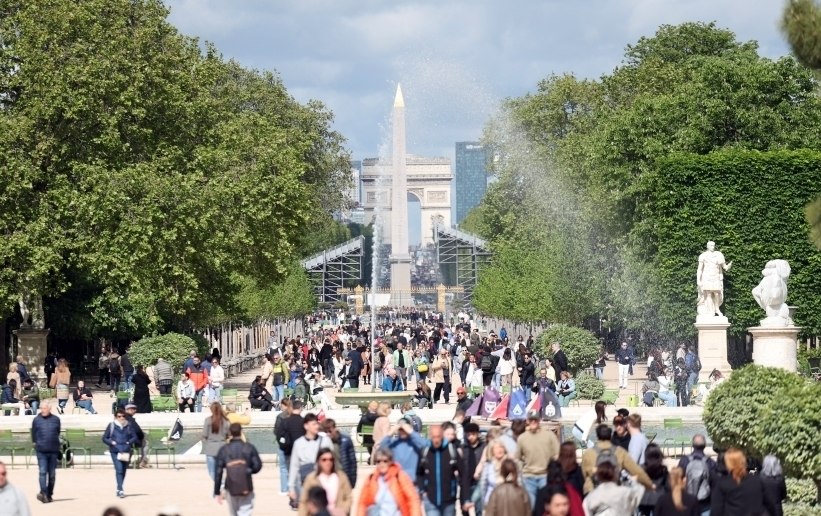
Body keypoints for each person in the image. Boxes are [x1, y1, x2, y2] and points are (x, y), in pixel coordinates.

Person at [581, 424, 653, 495]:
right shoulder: (620, 452)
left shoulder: (588, 453)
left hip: (593, 492)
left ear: (597, 436)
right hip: (614, 492)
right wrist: (650, 484)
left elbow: (583, 474)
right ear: (610, 436)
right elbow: (636, 470)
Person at [214, 423, 263, 516]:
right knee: (246, 512)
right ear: (241, 432)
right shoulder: (249, 447)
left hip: (230, 485)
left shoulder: (224, 449)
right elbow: (258, 466)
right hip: (246, 484)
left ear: (230, 433)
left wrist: (217, 492)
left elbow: (218, 472)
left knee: (233, 513)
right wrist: (247, 470)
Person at [357, 447, 421, 516]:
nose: (381, 464)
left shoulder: (399, 476)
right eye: (378, 461)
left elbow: (413, 499)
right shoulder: (371, 478)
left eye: (385, 461)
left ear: (390, 462)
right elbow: (362, 503)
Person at [710, 448, 771, 516]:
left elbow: (716, 511)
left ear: (727, 463)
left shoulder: (722, 483)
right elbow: (768, 503)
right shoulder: (757, 480)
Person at [518, 410, 560, 509]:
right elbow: (518, 457)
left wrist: (553, 470)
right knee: (531, 506)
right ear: (527, 421)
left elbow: (557, 453)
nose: (533, 422)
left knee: (545, 506)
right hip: (528, 476)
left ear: (539, 420)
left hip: (545, 475)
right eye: (531, 420)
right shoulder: (522, 438)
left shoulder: (549, 436)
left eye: (535, 420)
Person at [289, 414, 333, 507]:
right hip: (305, 482)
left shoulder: (326, 441)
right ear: (306, 426)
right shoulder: (298, 443)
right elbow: (294, 466)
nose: (317, 426)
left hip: (323, 481)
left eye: (317, 424)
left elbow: (334, 461)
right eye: (313, 424)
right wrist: (291, 487)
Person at [418, 425, 463, 516]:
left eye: (438, 437)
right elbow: (419, 473)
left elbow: (463, 472)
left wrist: (464, 496)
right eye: (433, 437)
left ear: (442, 436)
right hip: (430, 499)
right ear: (430, 437)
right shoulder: (425, 451)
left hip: (449, 500)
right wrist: (422, 489)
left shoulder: (451, 450)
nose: (436, 440)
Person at [298, 447, 353, 516]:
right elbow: (304, 501)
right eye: (324, 460)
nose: (328, 462)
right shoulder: (311, 479)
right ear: (318, 461)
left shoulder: (341, 477)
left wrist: (343, 510)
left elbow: (348, 497)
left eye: (331, 460)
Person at [102, 408, 139, 498]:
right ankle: (120, 489)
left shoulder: (129, 425)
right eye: (119, 416)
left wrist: (129, 442)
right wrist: (112, 442)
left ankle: (119, 488)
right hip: (115, 450)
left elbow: (134, 437)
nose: (121, 418)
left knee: (124, 470)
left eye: (123, 416)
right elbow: (104, 438)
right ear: (115, 417)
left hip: (126, 450)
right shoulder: (111, 425)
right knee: (119, 469)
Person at [677, 434, 716, 514]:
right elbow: (714, 483)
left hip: (687, 501)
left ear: (692, 445)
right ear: (705, 445)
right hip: (705, 502)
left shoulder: (684, 461)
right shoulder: (710, 462)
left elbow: (678, 479)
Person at [31, 402, 60, 504]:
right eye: (41, 408)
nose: (42, 410)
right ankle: (43, 493)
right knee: (42, 472)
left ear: (49, 408)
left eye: (44, 408)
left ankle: (49, 494)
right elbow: (33, 434)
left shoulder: (56, 420)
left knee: (52, 475)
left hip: (53, 451)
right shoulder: (36, 420)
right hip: (41, 451)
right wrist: (36, 444)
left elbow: (57, 432)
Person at [696, 240, 731, 318]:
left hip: (716, 276)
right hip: (706, 276)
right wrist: (698, 280)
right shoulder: (703, 256)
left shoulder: (718, 255)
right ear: (707, 246)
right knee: (708, 294)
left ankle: (717, 309)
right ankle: (711, 311)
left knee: (717, 293)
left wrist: (728, 266)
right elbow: (700, 269)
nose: (713, 247)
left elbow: (724, 266)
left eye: (714, 245)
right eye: (711, 246)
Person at [320, 418, 357, 488]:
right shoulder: (323, 442)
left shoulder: (346, 440)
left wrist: (352, 481)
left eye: (329, 431)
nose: (328, 434)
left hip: (343, 476)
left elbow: (352, 462)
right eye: (325, 432)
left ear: (334, 428)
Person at [460, 422, 486, 516]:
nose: (470, 437)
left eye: (472, 434)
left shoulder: (483, 447)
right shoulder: (463, 448)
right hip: (465, 481)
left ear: (477, 434)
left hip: (479, 480)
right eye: (468, 434)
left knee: (479, 508)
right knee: (464, 508)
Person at [638, 444, 669, 515]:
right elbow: (667, 486)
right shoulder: (663, 469)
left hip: (643, 499)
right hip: (659, 498)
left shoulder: (641, 468)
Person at [202, 402, 230, 481]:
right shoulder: (225, 421)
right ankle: (222, 483)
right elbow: (228, 434)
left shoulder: (208, 420)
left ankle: (220, 484)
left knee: (212, 471)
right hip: (222, 447)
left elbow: (204, 435)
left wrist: (205, 443)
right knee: (223, 470)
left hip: (210, 448)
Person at [274, 399, 294, 495]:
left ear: (283, 405)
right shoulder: (293, 415)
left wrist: (280, 441)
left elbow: (277, 431)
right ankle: (293, 488)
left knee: (283, 468)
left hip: (283, 444)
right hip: (293, 444)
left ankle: (284, 489)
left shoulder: (280, 416)